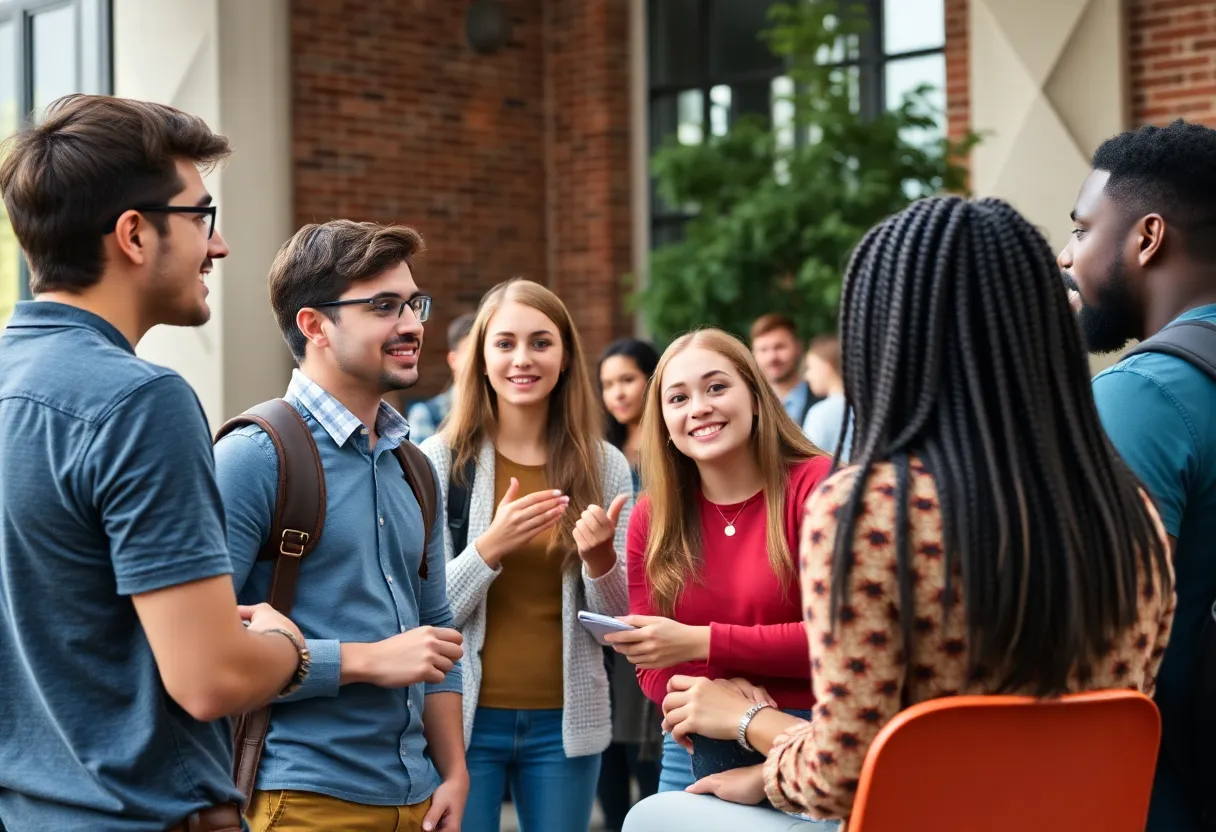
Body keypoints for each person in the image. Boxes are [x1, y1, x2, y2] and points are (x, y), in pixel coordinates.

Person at [629, 196, 1175, 830]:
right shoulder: (1128, 509)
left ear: (885, 336)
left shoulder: (872, 507)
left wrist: (751, 735)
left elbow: (844, 776)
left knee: (655, 816)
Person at [0, 94, 308, 832]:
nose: (220, 245)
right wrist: (285, 647)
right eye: (201, 217)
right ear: (135, 234)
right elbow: (211, 679)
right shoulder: (141, 401)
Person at [214, 221, 467, 832]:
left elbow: (436, 634)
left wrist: (454, 772)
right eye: (384, 306)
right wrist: (362, 660)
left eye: (413, 303)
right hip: (301, 798)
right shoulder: (254, 456)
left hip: (421, 797)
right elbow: (201, 651)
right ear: (315, 326)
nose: (412, 324)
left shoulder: (416, 466)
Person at [419, 278, 634, 832]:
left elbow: (620, 623)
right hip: (460, 723)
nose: (523, 358)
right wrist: (489, 547)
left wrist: (602, 560)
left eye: (541, 342)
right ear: (481, 358)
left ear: (564, 358)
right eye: (505, 343)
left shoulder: (603, 464)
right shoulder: (439, 462)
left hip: (566, 725)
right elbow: (424, 610)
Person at [1059, 119, 1216, 832]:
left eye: (1082, 230)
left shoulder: (1142, 393)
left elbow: (1096, 634)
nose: (1067, 256)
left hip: (1163, 790)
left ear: (1147, 238)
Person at [605, 328, 831, 795]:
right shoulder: (652, 513)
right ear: (663, 420)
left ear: (755, 396)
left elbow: (841, 639)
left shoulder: (820, 488)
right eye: (678, 398)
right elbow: (650, 662)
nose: (699, 408)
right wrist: (713, 697)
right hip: (696, 743)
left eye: (716, 388)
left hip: (821, 739)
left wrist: (702, 644)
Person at [597, 337, 663, 830]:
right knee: (609, 746)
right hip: (604, 604)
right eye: (607, 384)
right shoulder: (600, 454)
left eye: (627, 379)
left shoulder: (674, 447)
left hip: (660, 607)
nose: (617, 393)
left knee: (650, 741)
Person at [408, 312, 476, 444]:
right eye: (471, 351)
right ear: (453, 359)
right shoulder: (427, 414)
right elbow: (419, 464)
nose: (478, 359)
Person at [749, 313, 818, 426]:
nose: (772, 357)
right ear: (754, 355)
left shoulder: (824, 401)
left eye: (780, 347)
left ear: (798, 348)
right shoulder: (749, 408)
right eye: (763, 350)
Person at [800, 334, 852, 462]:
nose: (807, 376)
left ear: (826, 366)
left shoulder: (820, 413)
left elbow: (808, 462)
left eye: (810, 368)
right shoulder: (871, 407)